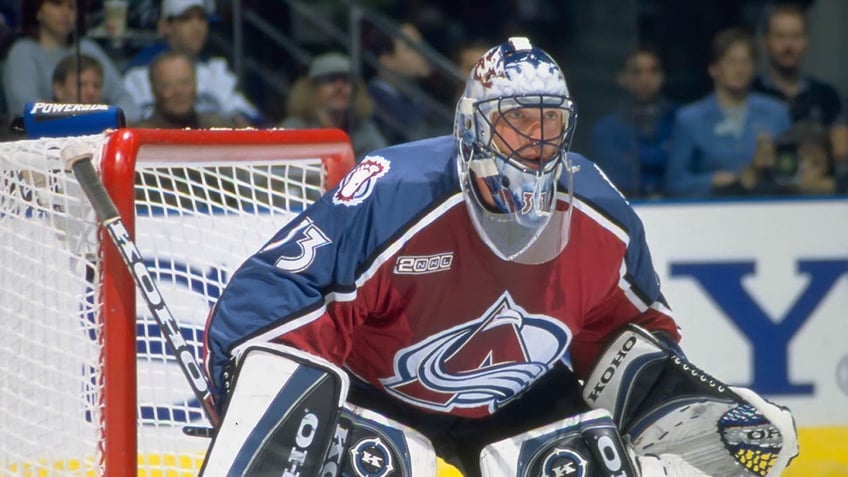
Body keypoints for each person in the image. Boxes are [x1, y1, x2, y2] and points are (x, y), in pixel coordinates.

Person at [202, 37, 798, 477]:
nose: (536, 142)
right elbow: (273, 302)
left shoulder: (598, 213)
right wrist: (253, 403)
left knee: (583, 465)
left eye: (550, 123)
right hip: (377, 396)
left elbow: (631, 335)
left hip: (517, 402)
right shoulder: (397, 192)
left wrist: (663, 415)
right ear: (471, 126)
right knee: (375, 463)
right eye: (517, 123)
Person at [665, 27, 792, 197]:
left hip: (766, 208)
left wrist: (774, 165)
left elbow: (790, 174)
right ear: (714, 68)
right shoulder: (690, 119)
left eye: (746, 62)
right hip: (711, 211)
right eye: (731, 62)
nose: (739, 70)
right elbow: (675, 183)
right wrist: (714, 181)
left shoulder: (777, 113)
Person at [122, 0, 260, 126]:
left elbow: (248, 115)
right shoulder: (138, 73)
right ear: (164, 26)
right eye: (186, 19)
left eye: (202, 18)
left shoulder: (217, 68)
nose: (196, 27)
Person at [2, 0, 140, 121]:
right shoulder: (22, 51)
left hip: (97, 134)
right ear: (37, 10)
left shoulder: (87, 47)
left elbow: (125, 100)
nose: (65, 12)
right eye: (57, 4)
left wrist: (109, 121)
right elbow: (25, 109)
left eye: (71, 7)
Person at [591, 45, 677, 199]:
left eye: (653, 71)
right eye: (637, 72)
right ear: (622, 78)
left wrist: (635, 157)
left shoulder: (681, 121)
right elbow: (618, 178)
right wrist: (662, 157)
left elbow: (680, 176)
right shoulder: (606, 129)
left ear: (662, 76)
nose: (645, 79)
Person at [279, 52, 387, 160]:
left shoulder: (364, 129)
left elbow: (381, 162)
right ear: (312, 89)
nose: (339, 87)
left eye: (346, 80)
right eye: (330, 80)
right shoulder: (294, 129)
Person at [751, 4, 842, 129]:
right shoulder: (749, 93)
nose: (788, 46)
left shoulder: (827, 97)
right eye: (780, 36)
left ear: (806, 41)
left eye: (796, 36)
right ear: (765, 41)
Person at [365, 21, 441, 145]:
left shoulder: (422, 98)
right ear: (387, 59)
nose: (423, 52)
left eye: (421, 45)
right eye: (411, 47)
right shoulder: (373, 105)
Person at [133, 50, 233, 129]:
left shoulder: (218, 128)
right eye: (168, 85)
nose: (178, 91)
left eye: (185, 83)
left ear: (195, 84)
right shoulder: (141, 136)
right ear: (154, 90)